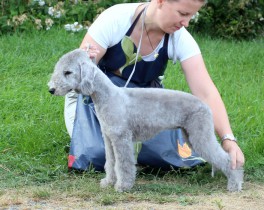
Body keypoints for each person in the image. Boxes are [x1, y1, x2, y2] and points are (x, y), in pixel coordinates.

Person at [65, 0, 245, 170]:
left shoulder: (180, 38)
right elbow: (78, 73)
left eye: (191, 16)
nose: (186, 23)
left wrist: (228, 138)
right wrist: (88, 61)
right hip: (97, 99)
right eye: (183, 13)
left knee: (168, 156)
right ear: (160, 1)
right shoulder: (114, 19)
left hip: (143, 102)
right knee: (97, 153)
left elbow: (205, 92)